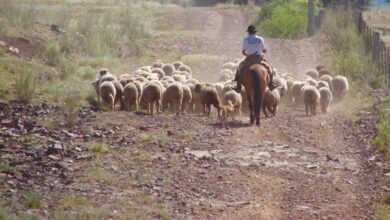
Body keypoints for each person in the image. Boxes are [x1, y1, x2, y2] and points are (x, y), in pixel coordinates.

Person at [234, 25, 276, 93]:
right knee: (270, 68)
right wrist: (265, 50)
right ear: (255, 32)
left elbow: (243, 52)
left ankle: (238, 86)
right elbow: (264, 50)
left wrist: (247, 54)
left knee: (239, 68)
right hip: (259, 59)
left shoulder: (246, 39)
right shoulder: (260, 39)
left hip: (249, 59)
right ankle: (271, 84)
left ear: (248, 32)